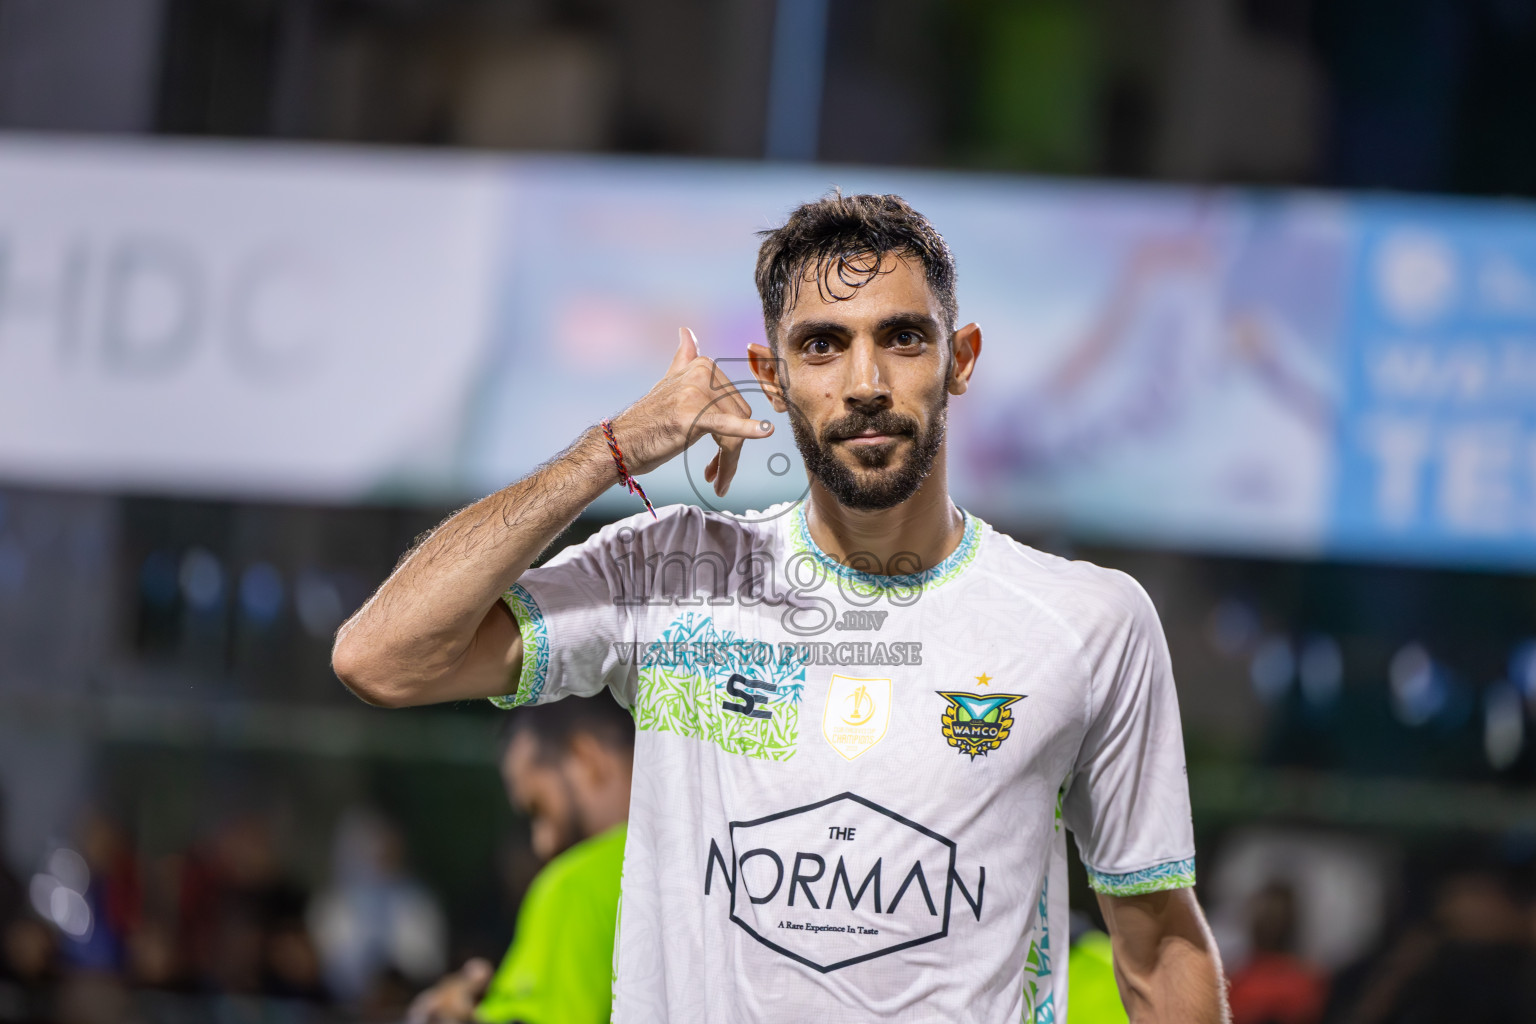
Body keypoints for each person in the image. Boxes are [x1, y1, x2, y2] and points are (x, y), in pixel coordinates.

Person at [334, 192, 1228, 1021]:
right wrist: (615, 448)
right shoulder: (672, 575)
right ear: (770, 374)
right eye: (821, 345)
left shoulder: (1088, 623)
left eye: (905, 338)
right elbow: (381, 657)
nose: (865, 379)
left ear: (961, 360)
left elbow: (1158, 953)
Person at [406, 693, 633, 1024]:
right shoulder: (719, 864)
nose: (542, 843)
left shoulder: (577, 887)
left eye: (539, 809)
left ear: (587, 759)